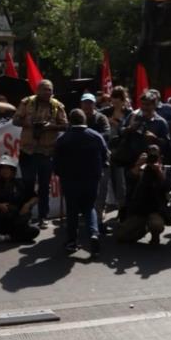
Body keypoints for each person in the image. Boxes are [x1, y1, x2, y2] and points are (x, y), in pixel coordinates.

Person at [12, 79, 67, 228]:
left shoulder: (57, 106)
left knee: (44, 186)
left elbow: (65, 126)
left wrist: (50, 126)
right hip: (28, 151)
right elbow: (15, 120)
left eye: (49, 89)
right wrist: (28, 124)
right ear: (37, 91)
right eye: (44, 89)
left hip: (47, 152)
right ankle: (27, 216)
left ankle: (44, 217)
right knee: (28, 185)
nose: (47, 92)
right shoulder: (27, 102)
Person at [54, 109, 108, 254]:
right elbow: (105, 155)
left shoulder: (63, 138)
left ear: (70, 121)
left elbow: (56, 161)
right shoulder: (96, 136)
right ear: (84, 120)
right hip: (91, 178)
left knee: (72, 209)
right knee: (89, 207)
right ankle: (93, 233)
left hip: (70, 179)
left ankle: (72, 241)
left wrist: (59, 173)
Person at [115, 145, 171, 246]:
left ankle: (155, 236)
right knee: (121, 236)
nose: (153, 159)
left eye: (155, 156)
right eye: (150, 156)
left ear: (161, 157)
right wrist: (138, 164)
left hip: (156, 210)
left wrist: (158, 171)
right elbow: (129, 179)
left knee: (156, 225)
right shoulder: (141, 169)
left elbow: (167, 186)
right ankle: (141, 230)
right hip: (139, 210)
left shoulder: (167, 170)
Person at [81, 93, 112, 233]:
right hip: (82, 161)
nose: (87, 105)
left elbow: (107, 133)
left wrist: (88, 137)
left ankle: (98, 221)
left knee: (100, 192)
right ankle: (86, 219)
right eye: (85, 103)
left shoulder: (101, 117)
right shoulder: (77, 117)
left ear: (94, 104)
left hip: (99, 159)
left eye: (90, 103)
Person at [101, 86, 132, 219]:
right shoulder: (106, 111)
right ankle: (101, 209)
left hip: (122, 152)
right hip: (108, 150)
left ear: (123, 99)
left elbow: (129, 130)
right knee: (105, 181)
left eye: (118, 99)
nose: (114, 102)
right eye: (113, 98)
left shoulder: (128, 112)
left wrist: (116, 123)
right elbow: (98, 118)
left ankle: (122, 208)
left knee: (121, 182)